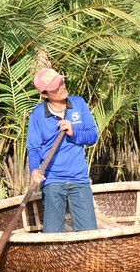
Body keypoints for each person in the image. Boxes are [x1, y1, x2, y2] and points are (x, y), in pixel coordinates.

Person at [27, 68, 98, 233]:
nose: (62, 87)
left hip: (79, 179)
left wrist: (74, 133)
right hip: (52, 180)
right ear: (45, 94)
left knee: (90, 234)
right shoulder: (37, 115)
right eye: (56, 87)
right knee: (51, 236)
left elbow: (93, 136)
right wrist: (34, 169)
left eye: (61, 82)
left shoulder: (78, 104)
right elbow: (34, 148)